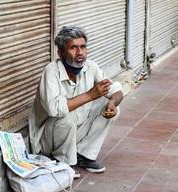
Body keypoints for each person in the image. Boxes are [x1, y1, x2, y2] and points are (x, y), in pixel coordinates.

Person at [29, 26, 123, 178]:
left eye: (83, 47)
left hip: (74, 132)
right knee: (67, 115)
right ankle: (62, 161)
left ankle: (83, 154)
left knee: (111, 108)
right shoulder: (51, 71)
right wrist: (91, 95)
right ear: (61, 52)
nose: (80, 53)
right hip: (48, 139)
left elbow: (116, 91)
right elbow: (55, 110)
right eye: (73, 48)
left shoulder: (90, 66)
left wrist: (112, 102)